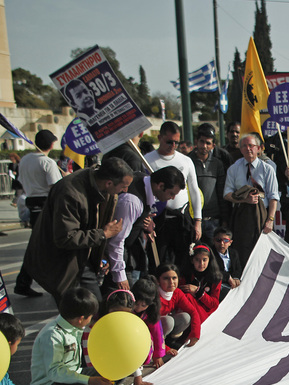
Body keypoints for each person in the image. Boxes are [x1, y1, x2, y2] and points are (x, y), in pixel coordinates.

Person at [23, 157, 131, 305]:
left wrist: (102, 254)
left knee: (93, 307)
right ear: (109, 183)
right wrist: (103, 234)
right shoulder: (70, 192)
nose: (125, 190)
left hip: (82, 257)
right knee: (79, 311)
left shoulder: (103, 189)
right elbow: (65, 237)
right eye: (123, 186)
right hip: (60, 262)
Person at [31, 288, 117, 385]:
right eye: (91, 316)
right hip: (49, 383)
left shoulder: (75, 326)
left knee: (114, 373)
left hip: (71, 374)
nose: (92, 319)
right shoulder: (53, 335)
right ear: (81, 318)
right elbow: (54, 372)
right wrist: (89, 380)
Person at [106, 166, 185, 291]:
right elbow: (116, 241)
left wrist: (142, 221)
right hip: (114, 261)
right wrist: (119, 276)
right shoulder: (132, 201)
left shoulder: (144, 183)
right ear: (160, 186)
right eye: (171, 193)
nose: (172, 198)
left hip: (129, 254)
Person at [15, 129, 62, 297]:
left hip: (32, 202)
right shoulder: (47, 162)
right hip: (45, 204)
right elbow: (56, 188)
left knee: (38, 245)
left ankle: (24, 282)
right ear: (51, 144)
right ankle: (30, 282)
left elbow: (21, 181)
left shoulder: (25, 159)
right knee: (47, 246)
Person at [144, 122, 203, 246]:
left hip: (182, 217)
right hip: (158, 217)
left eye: (177, 142)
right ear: (160, 138)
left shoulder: (186, 161)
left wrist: (198, 221)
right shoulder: (147, 160)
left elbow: (194, 190)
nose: (173, 145)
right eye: (169, 142)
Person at [224, 132, 280, 264]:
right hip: (241, 214)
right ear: (240, 149)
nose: (248, 149)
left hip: (262, 214)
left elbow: (273, 197)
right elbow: (227, 194)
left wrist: (270, 220)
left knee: (261, 252)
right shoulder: (234, 169)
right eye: (244, 146)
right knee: (242, 251)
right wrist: (244, 200)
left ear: (258, 148)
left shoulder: (267, 169)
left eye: (251, 145)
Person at [189, 124, 227, 240]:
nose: (204, 146)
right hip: (193, 220)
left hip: (213, 220)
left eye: (208, 143)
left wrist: (224, 219)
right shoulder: (187, 161)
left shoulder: (217, 164)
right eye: (202, 142)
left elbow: (222, 192)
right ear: (196, 141)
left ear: (213, 146)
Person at [131, 276, 169, 377]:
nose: (138, 308)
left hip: (142, 340)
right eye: (136, 304)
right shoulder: (125, 307)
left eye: (143, 305)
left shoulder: (151, 313)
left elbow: (157, 333)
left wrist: (158, 355)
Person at [156, 264, 201, 348]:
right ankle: (160, 346)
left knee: (186, 317)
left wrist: (195, 334)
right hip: (152, 332)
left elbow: (193, 311)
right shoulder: (154, 295)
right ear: (158, 280)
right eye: (166, 278)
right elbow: (150, 323)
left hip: (164, 329)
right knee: (168, 321)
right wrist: (165, 349)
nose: (171, 282)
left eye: (174, 278)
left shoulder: (177, 292)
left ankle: (170, 341)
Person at [179, 245, 222, 323]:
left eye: (204, 260)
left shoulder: (215, 277)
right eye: (197, 260)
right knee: (187, 297)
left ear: (209, 260)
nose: (201, 264)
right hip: (189, 311)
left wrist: (197, 291)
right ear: (192, 260)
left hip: (207, 313)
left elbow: (214, 304)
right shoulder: (184, 275)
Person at [212, 227, 243, 299]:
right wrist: (228, 277)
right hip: (219, 282)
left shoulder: (233, 253)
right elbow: (213, 271)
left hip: (232, 282)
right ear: (213, 240)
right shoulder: (211, 254)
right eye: (218, 240)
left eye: (225, 240)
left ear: (230, 242)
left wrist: (236, 278)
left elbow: (238, 268)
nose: (221, 244)